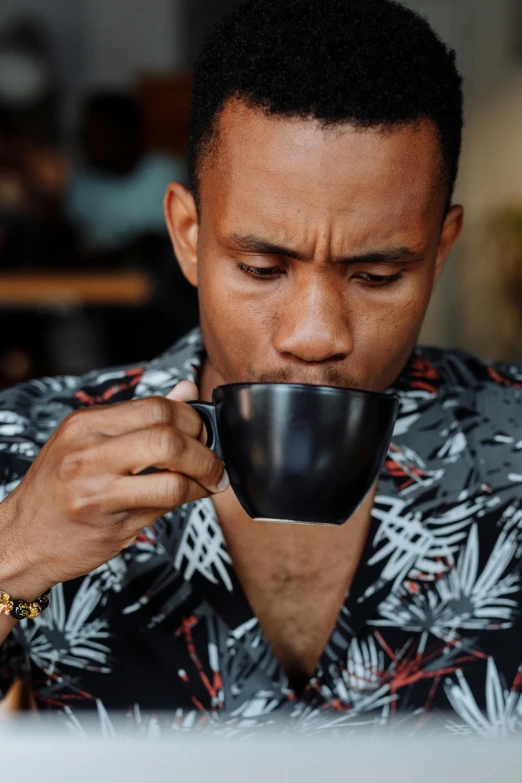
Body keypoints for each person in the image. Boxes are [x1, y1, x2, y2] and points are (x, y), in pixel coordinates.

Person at [0, 0, 521, 737]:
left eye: (376, 276)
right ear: (188, 236)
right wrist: (14, 561)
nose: (315, 335)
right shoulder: (26, 449)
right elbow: (17, 622)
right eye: (260, 265)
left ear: (439, 252)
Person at [66, 91, 186, 252]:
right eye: (87, 134)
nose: (90, 142)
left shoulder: (163, 173)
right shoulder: (81, 184)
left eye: (100, 134)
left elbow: (160, 241)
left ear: (128, 134)